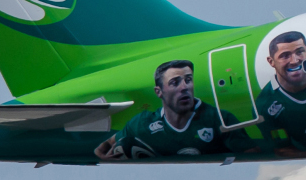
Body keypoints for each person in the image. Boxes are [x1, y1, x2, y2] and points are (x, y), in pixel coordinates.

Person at [94, 60, 248, 160]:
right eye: (175, 82)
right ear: (158, 92)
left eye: (188, 80)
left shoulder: (220, 119)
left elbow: (252, 153)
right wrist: (102, 155)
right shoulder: (143, 123)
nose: (184, 87)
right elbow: (106, 145)